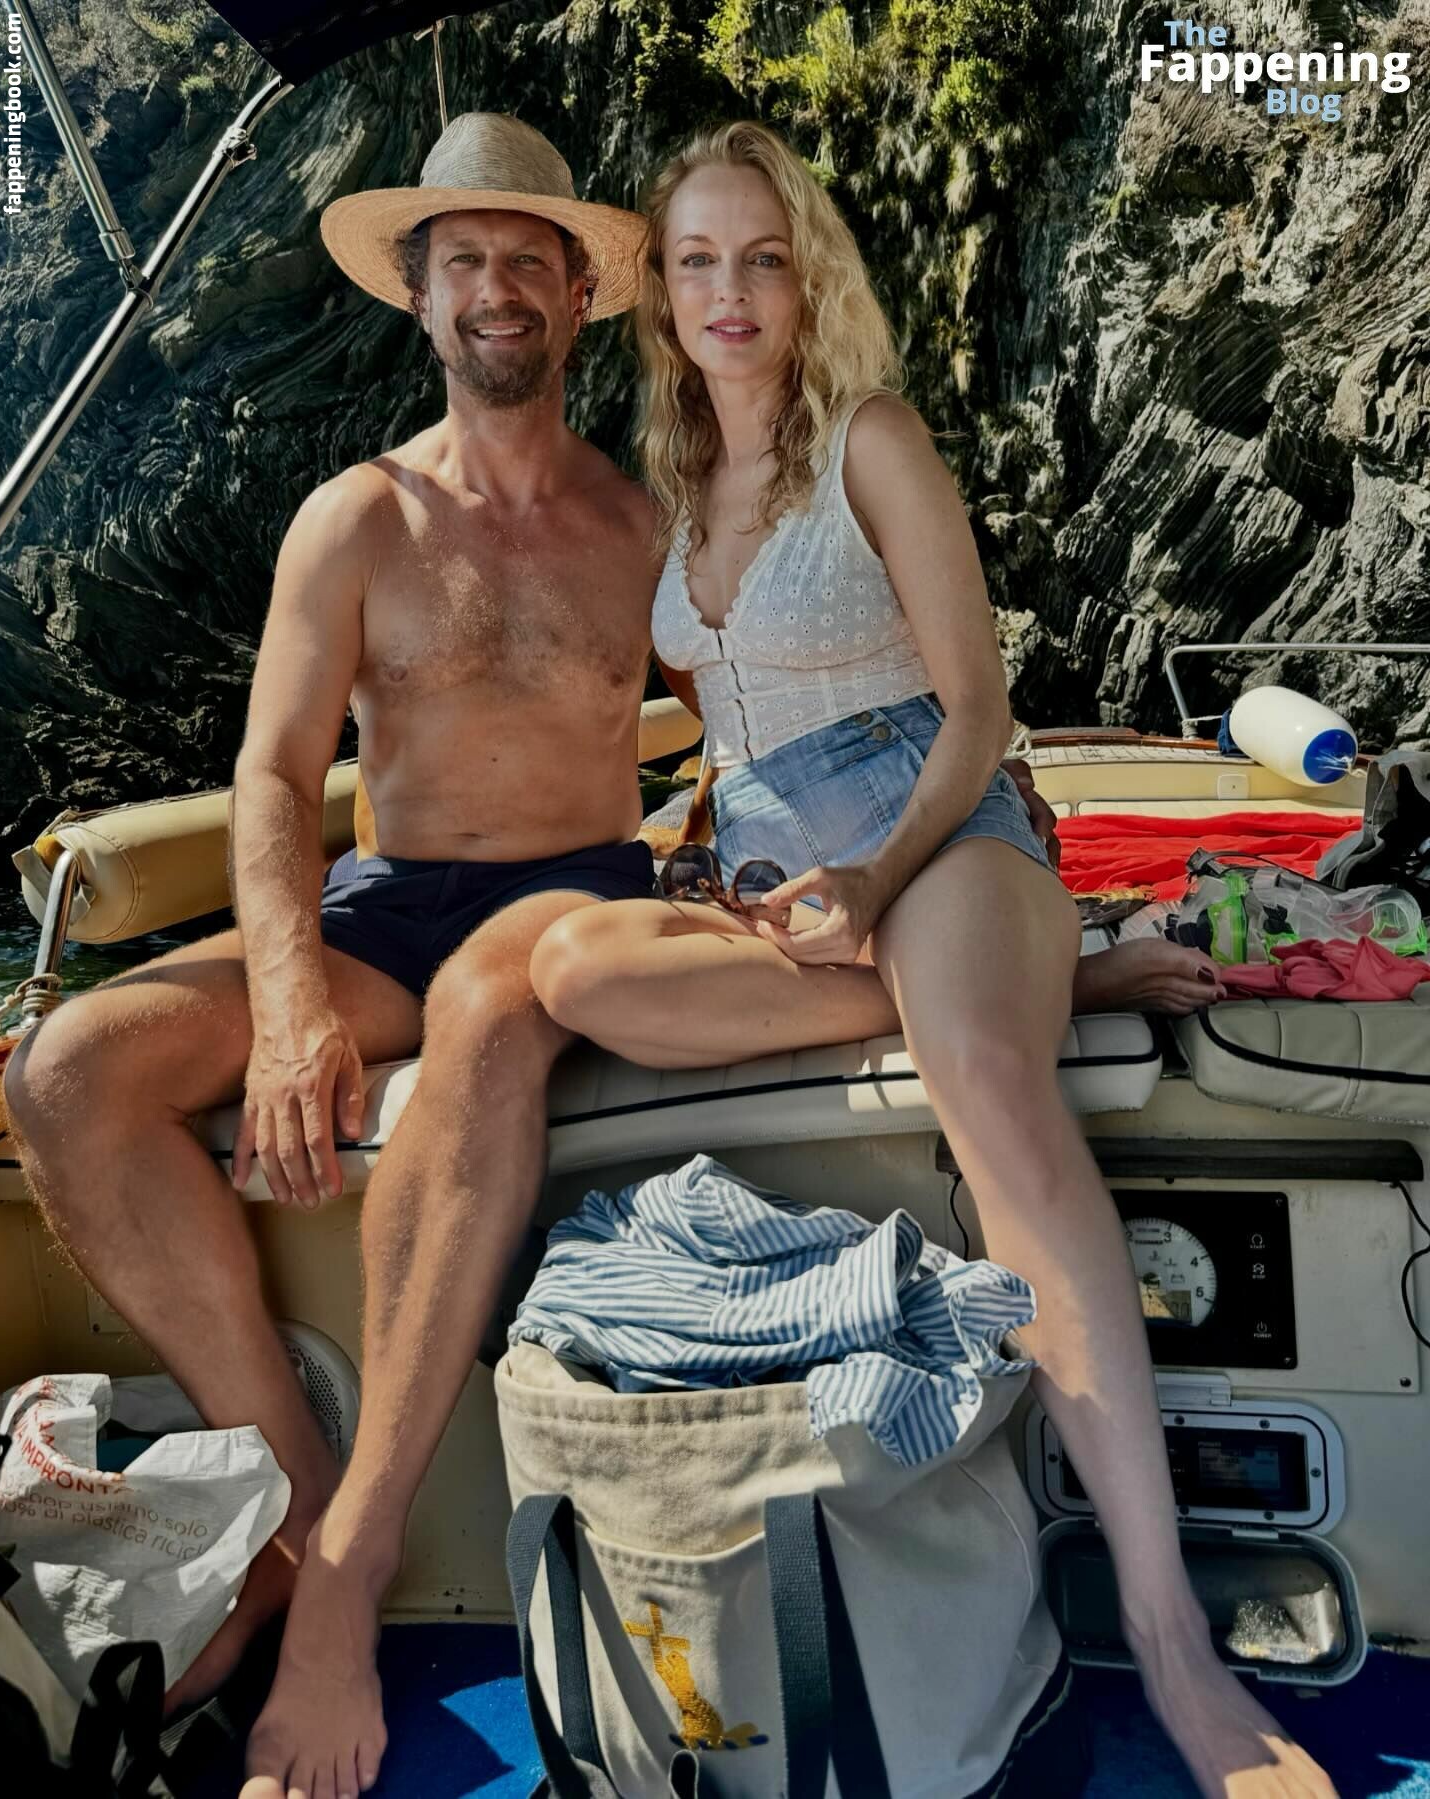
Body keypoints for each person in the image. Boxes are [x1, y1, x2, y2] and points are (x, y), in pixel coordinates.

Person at [528, 121, 1335, 1799]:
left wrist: (883, 876)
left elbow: (977, 710)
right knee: (574, 975)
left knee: (978, 1076)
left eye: (763, 259)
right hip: (784, 877)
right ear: (660, 294)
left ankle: (1169, 1637)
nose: (731, 294)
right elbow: (722, 725)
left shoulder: (871, 441)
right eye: (697, 262)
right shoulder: (673, 489)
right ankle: (1049, 977)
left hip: (941, 826)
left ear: (806, 275)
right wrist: (722, 850)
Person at [4, 113, 660, 1799]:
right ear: (418, 297)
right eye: (465, 262)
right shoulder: (356, 518)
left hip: (575, 896)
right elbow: (280, 777)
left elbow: (765, 705)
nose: (497, 289)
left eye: (528, 261)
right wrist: (293, 1005)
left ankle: (339, 1575)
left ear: (581, 294)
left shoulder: (646, 522)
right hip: (389, 909)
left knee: (488, 1004)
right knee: (68, 1072)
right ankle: (297, 1502)